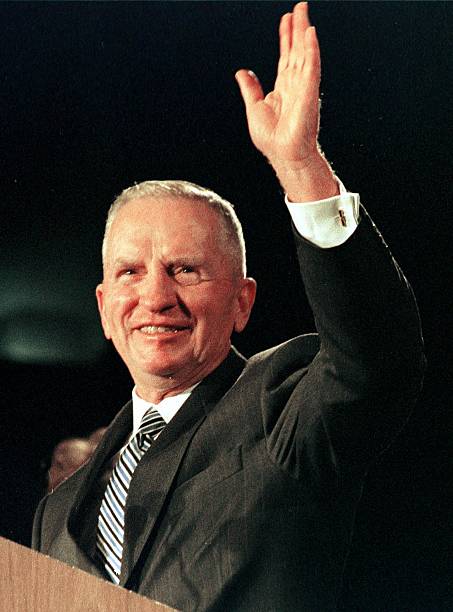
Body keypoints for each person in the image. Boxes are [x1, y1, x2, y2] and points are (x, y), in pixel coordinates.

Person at [32, 3, 425, 610]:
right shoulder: (58, 510)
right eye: (131, 273)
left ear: (242, 302)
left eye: (185, 270)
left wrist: (299, 166)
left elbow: (374, 356)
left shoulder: (283, 409)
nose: (156, 297)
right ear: (106, 309)